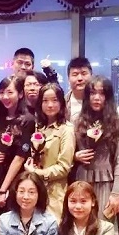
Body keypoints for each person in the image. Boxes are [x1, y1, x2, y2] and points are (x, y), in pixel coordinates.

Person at [74, 76, 119, 224]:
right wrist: (75, 156)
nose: (97, 98)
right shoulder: (77, 120)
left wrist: (116, 192)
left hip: (106, 183)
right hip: (81, 180)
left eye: (102, 93)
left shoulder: (118, 122)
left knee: (103, 227)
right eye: (92, 93)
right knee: (79, 225)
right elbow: (68, 152)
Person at [24, 83, 75, 221]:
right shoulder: (38, 127)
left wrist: (37, 173)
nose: (50, 105)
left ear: (61, 103)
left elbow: (64, 167)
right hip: (34, 189)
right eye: (45, 101)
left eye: (54, 100)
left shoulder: (66, 129)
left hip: (55, 192)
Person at [0, 76, 34, 218]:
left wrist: (3, 190)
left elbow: (20, 158)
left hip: (14, 181)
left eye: (9, 92)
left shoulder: (28, 120)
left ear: (20, 94)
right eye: (1, 92)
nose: (5, 97)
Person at [66, 57, 93, 122]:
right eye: (75, 74)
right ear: (68, 78)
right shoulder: (62, 104)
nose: (80, 78)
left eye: (84, 73)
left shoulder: (100, 102)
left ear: (91, 76)